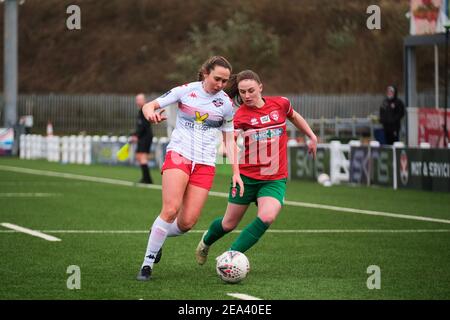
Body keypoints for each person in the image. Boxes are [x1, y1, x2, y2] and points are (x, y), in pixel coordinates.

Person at [136, 56, 244, 281]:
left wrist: (236, 172)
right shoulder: (185, 91)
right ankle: (147, 264)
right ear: (205, 73)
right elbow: (150, 105)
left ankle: (158, 233)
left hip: (205, 163)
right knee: (170, 209)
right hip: (179, 154)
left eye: (225, 81)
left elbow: (230, 140)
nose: (221, 85)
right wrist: (150, 114)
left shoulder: (225, 104)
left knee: (187, 223)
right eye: (217, 79)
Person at [195, 70, 317, 265]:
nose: (247, 96)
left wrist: (312, 136)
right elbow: (231, 141)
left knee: (267, 216)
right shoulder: (239, 115)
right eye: (242, 92)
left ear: (261, 87)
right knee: (228, 224)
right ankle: (205, 242)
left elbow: (293, 116)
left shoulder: (280, 104)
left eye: (251, 90)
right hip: (246, 177)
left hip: (274, 178)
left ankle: (230, 256)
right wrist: (225, 147)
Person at [130, 93, 154, 184]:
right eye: (137, 100)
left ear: (144, 100)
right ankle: (146, 178)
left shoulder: (144, 110)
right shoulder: (140, 111)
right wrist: (135, 134)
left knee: (142, 157)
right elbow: (140, 126)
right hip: (142, 136)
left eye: (139, 99)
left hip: (146, 137)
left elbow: (144, 126)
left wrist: (136, 136)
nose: (138, 101)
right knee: (139, 156)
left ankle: (147, 179)